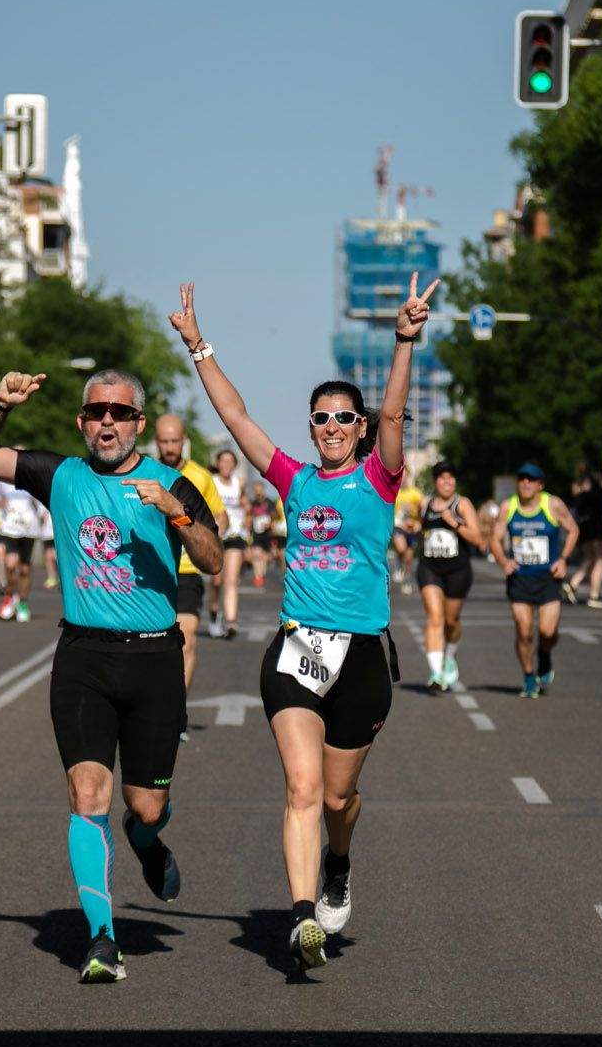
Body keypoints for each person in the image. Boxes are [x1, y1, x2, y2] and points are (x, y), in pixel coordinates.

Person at [175, 276, 429, 971]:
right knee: (303, 788)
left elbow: (395, 411)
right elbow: (236, 418)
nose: (332, 427)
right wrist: (198, 345)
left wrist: (404, 340)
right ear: (311, 426)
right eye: (321, 418)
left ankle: (338, 863)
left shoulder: (379, 478)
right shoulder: (295, 479)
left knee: (340, 799)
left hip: (362, 656)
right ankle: (302, 915)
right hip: (297, 649)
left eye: (345, 417)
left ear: (361, 427)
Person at [0, 367, 220, 983]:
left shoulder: (173, 483)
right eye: (97, 412)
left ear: (138, 422)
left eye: (120, 413)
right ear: (82, 422)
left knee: (146, 807)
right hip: (83, 657)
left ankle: (146, 838)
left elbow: (212, 559)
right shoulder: (61, 475)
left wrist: (178, 516)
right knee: (87, 796)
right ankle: (103, 938)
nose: (108, 422)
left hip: (154, 659)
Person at [154, 412, 227, 738]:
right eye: (164, 441)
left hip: (186, 570)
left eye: (174, 441)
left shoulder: (200, 476)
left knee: (186, 639)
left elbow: (219, 516)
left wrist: (211, 535)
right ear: (156, 442)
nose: (169, 447)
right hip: (153, 569)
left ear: (183, 441)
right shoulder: (146, 473)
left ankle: (175, 713)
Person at [490, 464, 580, 698]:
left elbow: (573, 530)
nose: (526, 483)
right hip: (520, 579)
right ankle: (529, 676)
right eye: (522, 479)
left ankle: (544, 654)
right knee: (524, 632)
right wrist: (503, 561)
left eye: (531, 480)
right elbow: (495, 539)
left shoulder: (553, 505)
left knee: (547, 632)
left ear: (540, 485)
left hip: (548, 579)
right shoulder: (509, 507)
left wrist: (564, 559)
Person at [414, 462, 486, 693]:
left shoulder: (462, 504)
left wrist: (454, 523)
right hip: (429, 568)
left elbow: (477, 539)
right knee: (435, 618)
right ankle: (436, 674)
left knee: (451, 621)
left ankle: (449, 656)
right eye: (442, 478)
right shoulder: (425, 504)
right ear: (435, 481)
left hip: (458, 570)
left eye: (451, 478)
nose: (447, 482)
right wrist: (413, 526)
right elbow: (420, 527)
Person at [0, 467, 51, 623]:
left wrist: (43, 513)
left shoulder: (31, 478)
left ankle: (22, 603)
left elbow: (41, 499)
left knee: (25, 569)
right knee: (10, 564)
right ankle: (9, 595)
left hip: (29, 528)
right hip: (10, 528)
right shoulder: (2, 478)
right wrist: (1, 504)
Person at [210, 447, 251, 639]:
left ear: (234, 465)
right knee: (216, 581)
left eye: (230, 461)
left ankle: (231, 621)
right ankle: (214, 615)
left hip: (234, 535)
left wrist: (247, 518)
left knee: (231, 580)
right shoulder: (212, 482)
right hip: (215, 536)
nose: (226, 464)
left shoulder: (238, 483)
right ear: (218, 463)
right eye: (223, 461)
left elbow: (246, 506)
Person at [566, 467, 602, 608]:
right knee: (599, 560)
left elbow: (577, 507)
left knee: (589, 558)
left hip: (584, 528)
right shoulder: (600, 493)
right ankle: (594, 595)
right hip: (597, 527)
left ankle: (573, 583)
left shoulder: (582, 493)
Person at [390, 479, 424, 592]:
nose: (403, 479)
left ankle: (407, 580)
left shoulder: (415, 493)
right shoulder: (394, 491)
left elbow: (422, 509)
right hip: (398, 525)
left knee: (409, 558)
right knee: (401, 548)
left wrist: (418, 522)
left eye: (405, 476)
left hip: (412, 528)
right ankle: (399, 565)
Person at [247, 479, 276, 589]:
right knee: (257, 554)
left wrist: (270, 523)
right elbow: (249, 515)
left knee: (265, 557)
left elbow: (274, 516)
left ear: (263, 490)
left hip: (267, 533)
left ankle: (261, 575)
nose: (258, 492)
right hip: (256, 532)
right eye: (256, 490)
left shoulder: (269, 502)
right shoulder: (253, 503)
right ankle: (258, 577)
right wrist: (249, 524)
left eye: (259, 489)